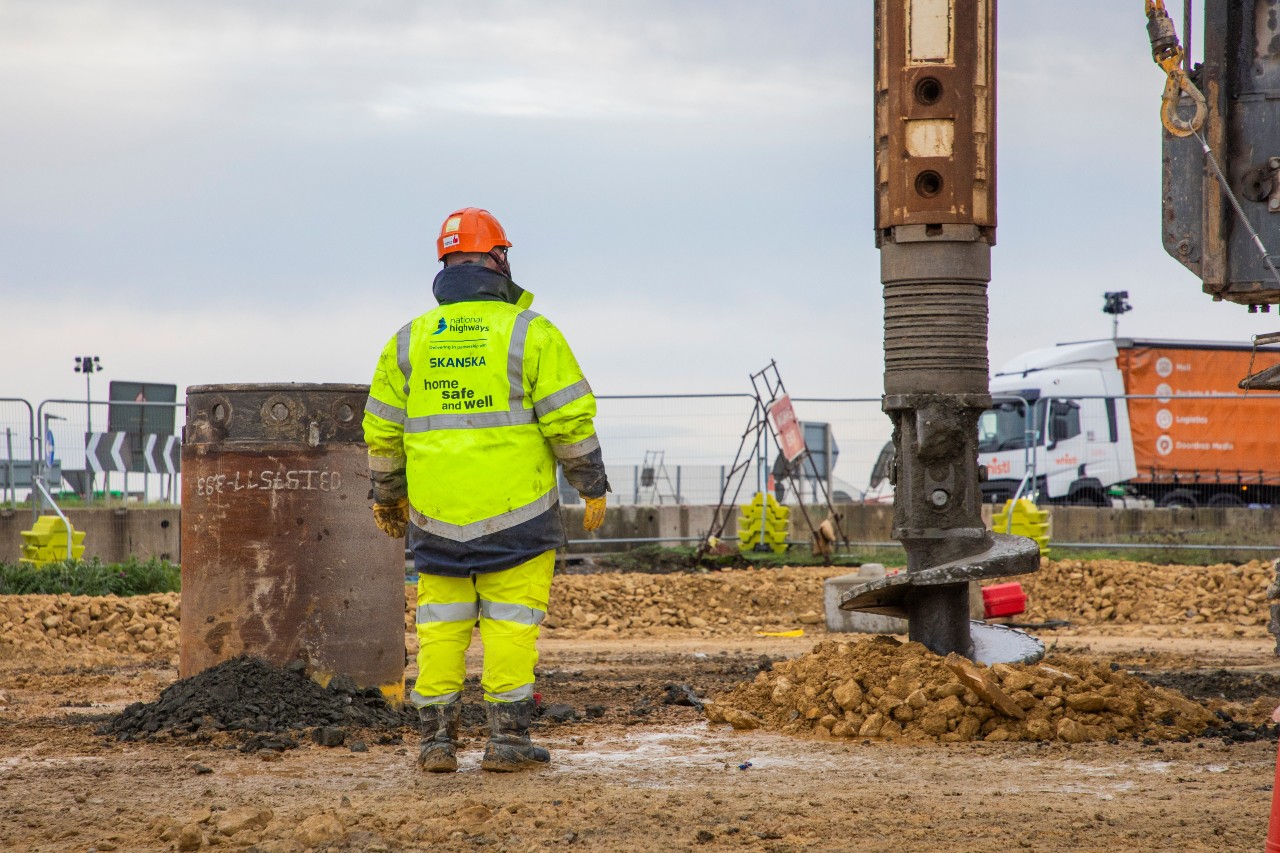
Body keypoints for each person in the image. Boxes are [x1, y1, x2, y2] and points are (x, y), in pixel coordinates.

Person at [363, 207, 609, 773]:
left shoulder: (409, 340)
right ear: (498, 261)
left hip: (435, 517)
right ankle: (507, 743)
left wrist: (387, 495)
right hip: (517, 517)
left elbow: (381, 429)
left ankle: (436, 745)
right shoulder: (531, 332)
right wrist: (591, 485)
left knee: (441, 627)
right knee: (510, 623)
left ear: (445, 265)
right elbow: (568, 421)